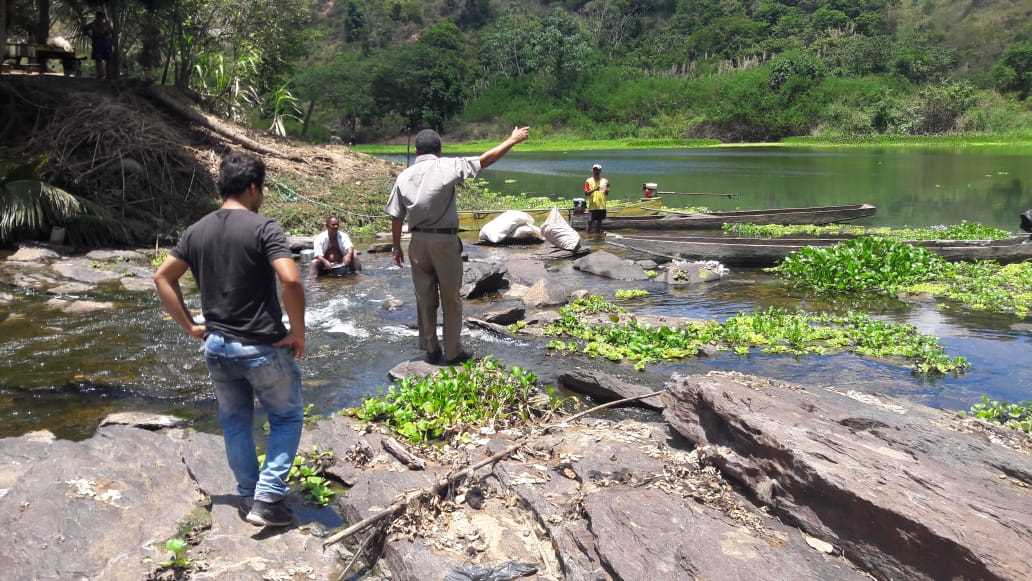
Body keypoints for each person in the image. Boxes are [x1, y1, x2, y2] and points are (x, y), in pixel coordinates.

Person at [154, 151, 306, 528]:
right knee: (286, 418)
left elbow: (162, 277)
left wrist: (191, 326)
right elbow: (290, 278)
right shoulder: (263, 227)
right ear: (254, 187)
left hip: (217, 346)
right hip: (260, 347)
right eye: (262, 189)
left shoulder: (197, 230)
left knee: (236, 423)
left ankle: (247, 495)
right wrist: (298, 331)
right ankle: (268, 500)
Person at [387, 127, 529, 365]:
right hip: (444, 241)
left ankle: (431, 349)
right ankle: (452, 352)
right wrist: (511, 140)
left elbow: (395, 215)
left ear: (417, 150)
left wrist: (395, 247)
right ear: (439, 150)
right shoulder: (447, 166)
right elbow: (485, 160)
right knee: (451, 298)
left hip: (417, 243)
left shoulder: (404, 176)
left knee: (424, 297)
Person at [85, 11, 114, 79]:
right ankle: (100, 75)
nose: (100, 18)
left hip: (106, 44)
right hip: (97, 44)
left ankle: (108, 75)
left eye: (102, 17)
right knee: (98, 60)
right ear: (96, 17)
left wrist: (109, 36)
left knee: (108, 59)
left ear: (103, 17)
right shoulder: (93, 24)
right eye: (98, 17)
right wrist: (91, 36)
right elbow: (85, 30)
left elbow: (112, 32)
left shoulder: (107, 24)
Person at [583, 163, 609, 234]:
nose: (595, 171)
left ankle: (597, 238)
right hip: (592, 206)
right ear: (592, 171)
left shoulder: (605, 181)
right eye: (594, 170)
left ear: (600, 171)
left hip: (601, 206)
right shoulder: (588, 181)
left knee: (599, 222)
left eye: (597, 170)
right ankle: (588, 237)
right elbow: (586, 193)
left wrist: (606, 191)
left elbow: (607, 193)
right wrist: (595, 189)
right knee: (590, 222)